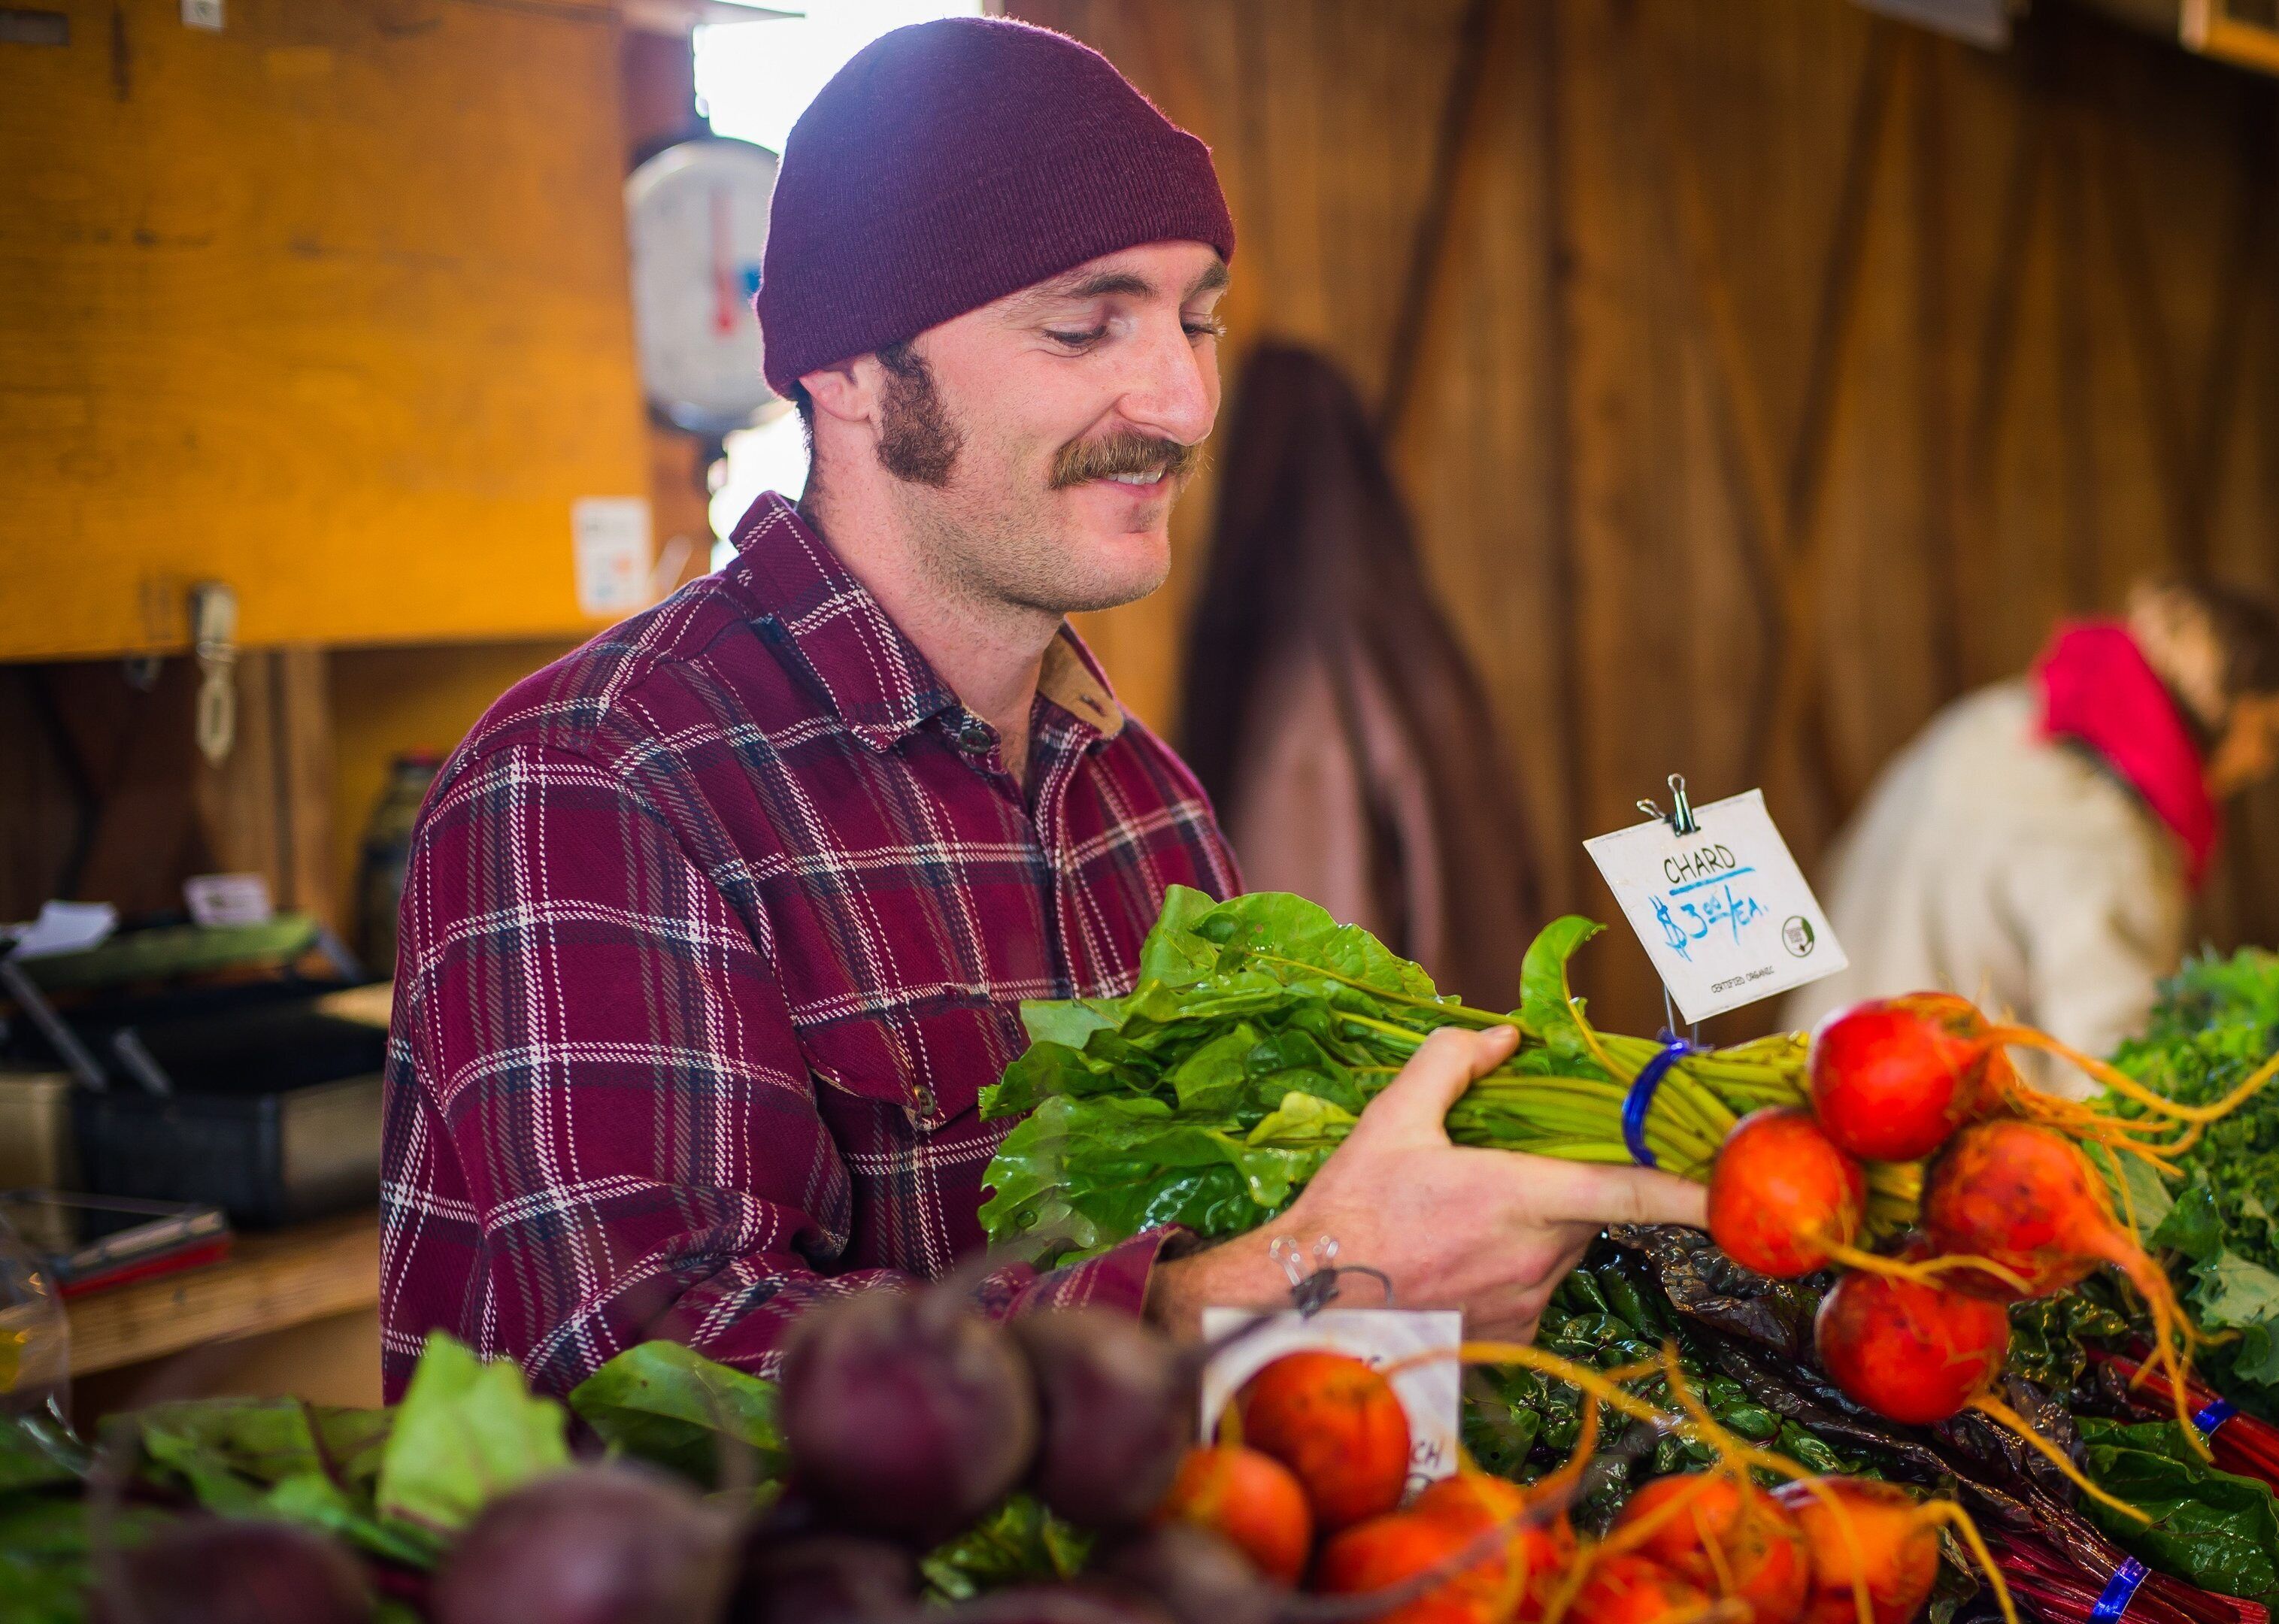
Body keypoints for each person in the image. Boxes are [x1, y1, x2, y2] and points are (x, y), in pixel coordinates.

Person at [377, 17, 1700, 1398]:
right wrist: (1234, 1306)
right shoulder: (598, 778)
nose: (1185, 403)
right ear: (848, 372)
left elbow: (1272, 1275)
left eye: (1198, 321)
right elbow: (655, 1372)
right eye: (1084, 325)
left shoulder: (1148, 802)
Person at [1784, 579, 2279, 1092]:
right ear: (2218, 709)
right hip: (1914, 1132)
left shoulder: (1993, 719)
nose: (2263, 764)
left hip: (1814, 1078)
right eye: (2266, 734)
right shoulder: (2106, 829)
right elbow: (2107, 1072)